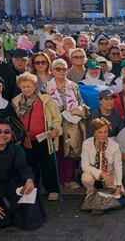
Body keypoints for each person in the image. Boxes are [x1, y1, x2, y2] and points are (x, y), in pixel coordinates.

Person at [12, 72, 63, 200]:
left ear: (35, 86)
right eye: (23, 87)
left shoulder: (45, 98)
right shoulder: (16, 101)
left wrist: (56, 129)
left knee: (48, 165)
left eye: (29, 86)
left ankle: (53, 190)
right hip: (26, 140)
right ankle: (34, 190)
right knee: (30, 165)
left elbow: (57, 117)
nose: (26, 89)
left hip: (45, 138)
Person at [46, 59, 89, 193]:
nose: (61, 72)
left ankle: (70, 178)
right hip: (55, 123)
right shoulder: (46, 87)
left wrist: (78, 110)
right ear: (52, 71)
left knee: (70, 151)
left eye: (64, 69)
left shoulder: (73, 86)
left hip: (71, 123)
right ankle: (59, 180)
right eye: (57, 69)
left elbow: (81, 102)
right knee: (57, 152)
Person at [80, 118, 125, 215]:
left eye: (105, 132)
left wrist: (118, 185)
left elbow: (118, 167)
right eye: (100, 132)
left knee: (119, 194)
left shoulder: (114, 146)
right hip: (94, 173)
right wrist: (101, 173)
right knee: (86, 178)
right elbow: (85, 166)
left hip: (110, 173)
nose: (103, 135)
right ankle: (91, 194)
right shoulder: (86, 144)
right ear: (94, 132)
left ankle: (103, 197)